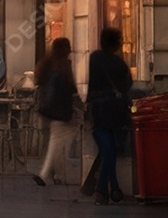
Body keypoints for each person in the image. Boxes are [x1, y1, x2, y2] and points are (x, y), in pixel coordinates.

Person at [87, 27, 133, 204]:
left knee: (108, 151)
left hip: (98, 110)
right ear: (118, 43)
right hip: (116, 111)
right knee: (110, 151)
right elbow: (126, 85)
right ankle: (109, 189)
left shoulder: (93, 59)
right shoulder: (120, 64)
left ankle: (107, 190)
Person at [34, 37, 77, 187]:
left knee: (57, 142)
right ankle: (45, 174)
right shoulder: (62, 66)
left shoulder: (47, 64)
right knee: (58, 143)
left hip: (48, 110)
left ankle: (60, 175)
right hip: (61, 111)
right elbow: (69, 89)